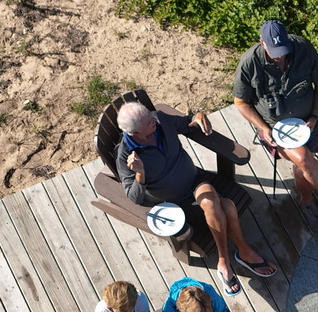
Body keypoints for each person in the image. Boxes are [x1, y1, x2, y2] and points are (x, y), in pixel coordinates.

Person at [116, 101, 275, 296]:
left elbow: (184, 123)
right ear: (136, 134)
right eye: (148, 121)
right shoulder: (125, 156)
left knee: (210, 199)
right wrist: (140, 175)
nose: (154, 120)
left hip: (194, 180)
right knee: (228, 207)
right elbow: (134, 197)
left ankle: (224, 260)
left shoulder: (159, 119)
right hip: (173, 203)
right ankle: (241, 252)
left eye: (150, 115)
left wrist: (196, 117)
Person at [232, 19, 318, 236]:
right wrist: (264, 128)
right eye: (274, 52)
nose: (280, 56)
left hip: (308, 123)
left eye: (283, 50)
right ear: (261, 43)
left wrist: (313, 116)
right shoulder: (249, 63)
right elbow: (240, 102)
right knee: (303, 159)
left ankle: (306, 201)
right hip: (274, 130)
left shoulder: (301, 47)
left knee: (304, 166)